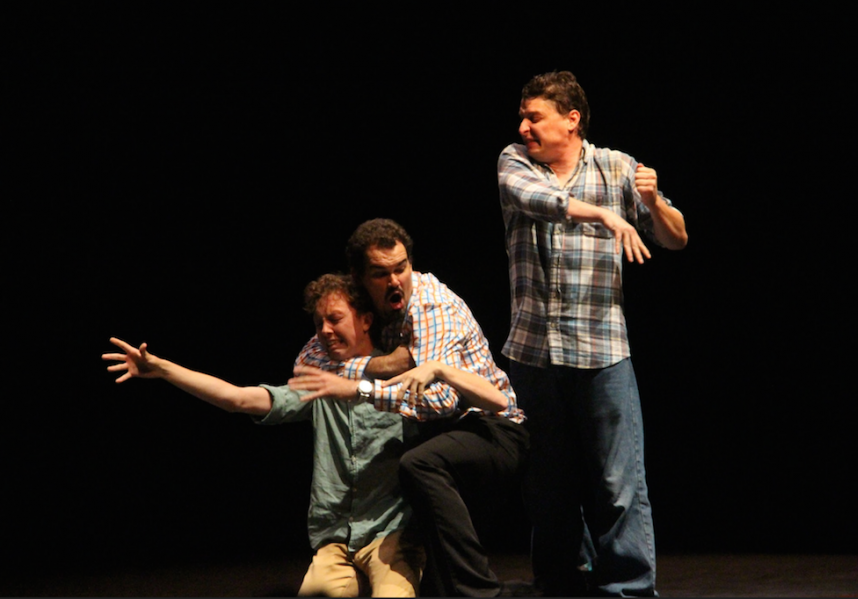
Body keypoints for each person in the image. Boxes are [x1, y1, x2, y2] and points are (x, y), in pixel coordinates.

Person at [102, 273, 425, 597]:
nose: (324, 330)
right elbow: (238, 399)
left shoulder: (400, 377)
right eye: (318, 323)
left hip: (391, 534)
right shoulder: (319, 384)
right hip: (336, 542)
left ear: (366, 320)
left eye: (334, 318)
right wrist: (162, 369)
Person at [497, 71, 688, 597]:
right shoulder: (514, 161)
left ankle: (628, 588)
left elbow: (676, 240)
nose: (524, 126)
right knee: (548, 486)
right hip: (535, 352)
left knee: (618, 482)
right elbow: (536, 200)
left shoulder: (618, 166)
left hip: (604, 350)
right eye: (523, 116)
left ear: (571, 119)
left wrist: (651, 204)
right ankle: (563, 582)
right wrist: (605, 214)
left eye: (534, 116)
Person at [289, 218, 531, 598]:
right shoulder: (362, 305)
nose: (395, 281)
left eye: (401, 268)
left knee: (419, 462)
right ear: (359, 277)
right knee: (409, 460)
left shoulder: (430, 307)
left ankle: (479, 591)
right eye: (381, 273)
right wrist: (379, 365)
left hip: (492, 426)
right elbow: (307, 362)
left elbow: (440, 400)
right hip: (441, 430)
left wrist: (360, 388)